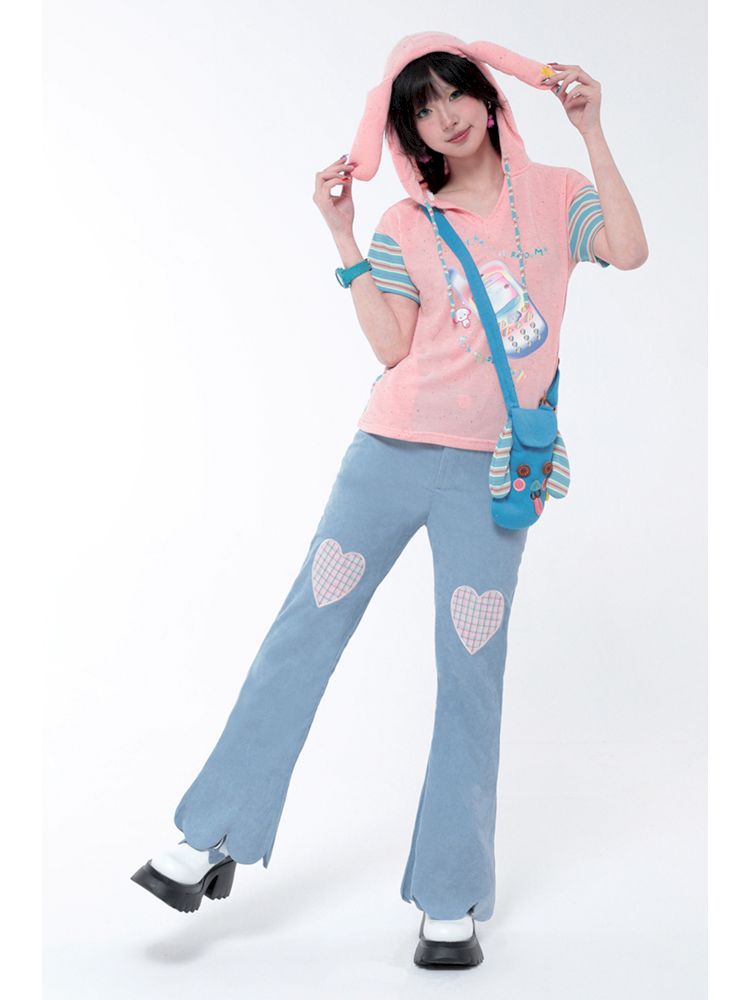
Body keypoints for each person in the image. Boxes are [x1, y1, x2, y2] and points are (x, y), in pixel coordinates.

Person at [131, 30, 648, 969]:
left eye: (455, 93)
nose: (444, 115)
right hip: (387, 457)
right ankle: (208, 836)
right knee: (304, 633)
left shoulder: (556, 192)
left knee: (470, 675)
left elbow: (630, 249)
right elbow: (392, 348)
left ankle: (450, 896)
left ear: (488, 99)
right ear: (407, 132)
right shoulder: (406, 223)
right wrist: (343, 237)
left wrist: (592, 130)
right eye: (421, 108)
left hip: (494, 474)